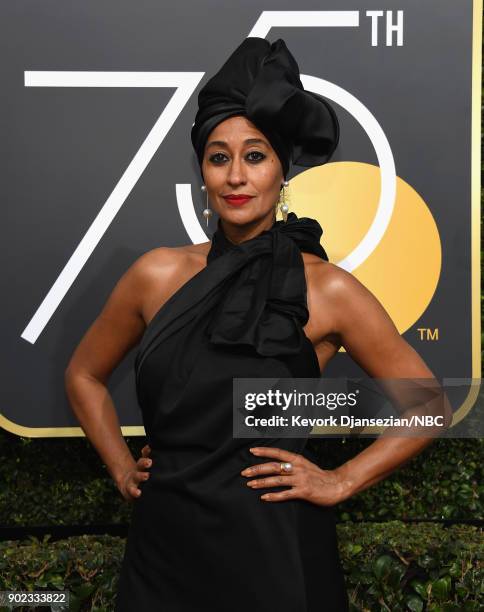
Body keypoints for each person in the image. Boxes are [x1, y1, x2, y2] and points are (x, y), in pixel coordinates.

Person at [64, 37, 452, 611]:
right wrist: (122, 468)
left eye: (255, 155)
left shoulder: (328, 289)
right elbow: (84, 376)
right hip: (164, 552)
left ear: (281, 172)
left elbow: (430, 406)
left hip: (277, 554)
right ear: (202, 172)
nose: (236, 177)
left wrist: (341, 478)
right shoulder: (155, 273)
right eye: (219, 157)